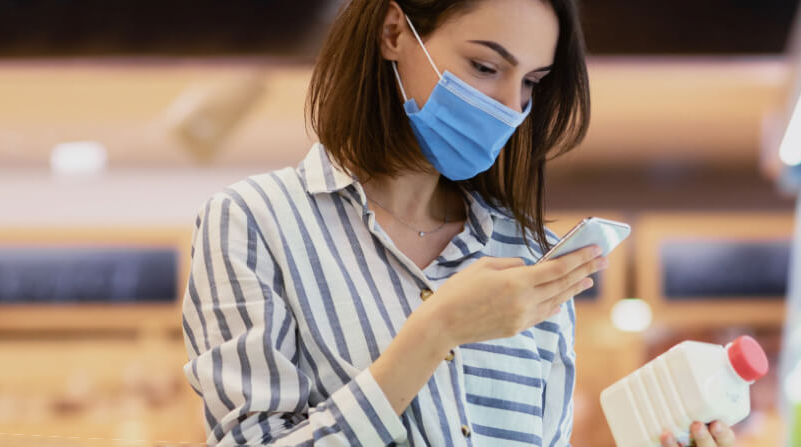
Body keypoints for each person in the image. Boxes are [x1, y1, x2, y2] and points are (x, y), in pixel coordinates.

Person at [180, 0, 735, 446]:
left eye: (531, 82)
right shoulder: (255, 223)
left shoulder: (529, 257)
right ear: (394, 32)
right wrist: (433, 333)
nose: (507, 105)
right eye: (486, 67)